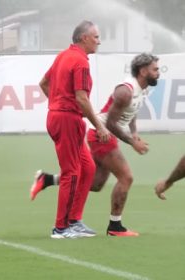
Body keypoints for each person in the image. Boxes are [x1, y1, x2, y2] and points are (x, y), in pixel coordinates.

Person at [32, 53, 160, 237]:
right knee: (126, 177)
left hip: (105, 134)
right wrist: (132, 143)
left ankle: (47, 179)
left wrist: (134, 133)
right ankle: (115, 227)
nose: (158, 73)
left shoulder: (140, 89)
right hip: (101, 135)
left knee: (95, 183)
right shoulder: (125, 91)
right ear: (143, 71)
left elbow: (132, 111)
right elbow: (110, 124)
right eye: (155, 69)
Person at [32, 20, 110, 239]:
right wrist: (99, 126)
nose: (99, 41)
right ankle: (60, 228)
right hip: (67, 120)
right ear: (84, 38)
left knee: (88, 168)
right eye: (96, 37)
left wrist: (59, 103)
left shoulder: (64, 56)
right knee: (72, 172)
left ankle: (74, 221)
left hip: (62, 116)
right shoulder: (80, 62)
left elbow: (44, 83)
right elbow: (82, 98)